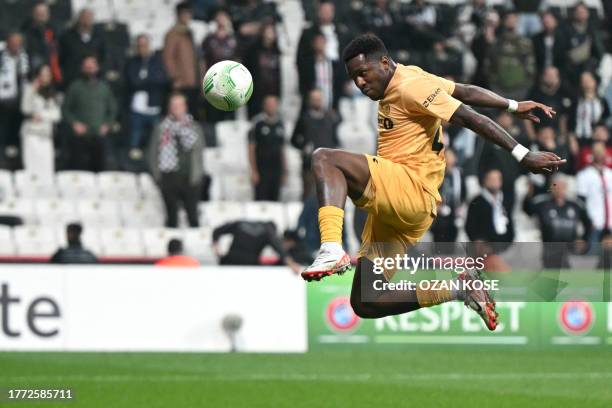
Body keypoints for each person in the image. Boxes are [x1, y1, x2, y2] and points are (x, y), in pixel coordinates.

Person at [301, 33, 564, 331]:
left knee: (324, 158)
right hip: (399, 208)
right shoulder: (413, 75)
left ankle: (332, 247)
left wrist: (522, 153)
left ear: (384, 63)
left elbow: (469, 117)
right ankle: (459, 290)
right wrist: (513, 105)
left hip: (410, 188)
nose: (360, 83)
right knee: (366, 300)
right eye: (353, 78)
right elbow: (463, 90)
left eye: (363, 73)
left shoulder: (411, 86)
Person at [148, 92, 204, 228]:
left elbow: (199, 151)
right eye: (173, 105)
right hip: (168, 177)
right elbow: (152, 153)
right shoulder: (161, 128)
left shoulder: (194, 127)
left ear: (185, 107)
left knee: (193, 215)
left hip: (190, 178)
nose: (176, 108)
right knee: (171, 216)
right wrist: (157, 176)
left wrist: (198, 176)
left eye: (179, 105)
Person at [62, 55, 117, 172]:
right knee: (78, 170)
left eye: (92, 67)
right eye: (87, 67)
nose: (90, 70)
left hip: (98, 135)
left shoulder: (104, 88)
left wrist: (107, 125)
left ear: (97, 68)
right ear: (82, 68)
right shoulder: (75, 86)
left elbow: (112, 109)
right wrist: (74, 123)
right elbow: (65, 109)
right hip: (80, 135)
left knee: (99, 170)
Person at [524, 174, 590, 268]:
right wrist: (529, 194)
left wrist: (584, 239)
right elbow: (527, 210)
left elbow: (588, 223)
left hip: (570, 250)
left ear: (566, 186)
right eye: (555, 185)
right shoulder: (542, 203)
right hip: (549, 249)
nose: (559, 189)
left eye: (561, 185)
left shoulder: (575, 205)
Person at [291, 89, 341, 198]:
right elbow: (293, 139)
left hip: (328, 164)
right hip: (310, 164)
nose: (317, 101)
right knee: (309, 194)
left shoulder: (331, 118)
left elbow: (335, 139)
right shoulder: (304, 119)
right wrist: (303, 147)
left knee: (328, 195)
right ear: (310, 101)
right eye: (314, 99)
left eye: (319, 99)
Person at [125, 34, 168, 158]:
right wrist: (151, 81)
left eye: (144, 45)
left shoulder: (158, 61)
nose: (142, 48)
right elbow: (133, 82)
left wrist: (144, 81)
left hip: (153, 107)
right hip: (136, 108)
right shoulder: (132, 62)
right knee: (135, 141)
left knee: (155, 140)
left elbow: (162, 80)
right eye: (139, 46)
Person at [20, 64, 61, 180]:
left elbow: (57, 115)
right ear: (37, 76)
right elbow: (25, 109)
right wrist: (32, 90)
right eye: (42, 74)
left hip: (46, 136)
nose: (45, 77)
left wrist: (41, 115)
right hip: (31, 134)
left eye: (48, 74)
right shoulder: (30, 89)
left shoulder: (53, 93)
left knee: (47, 170)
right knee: (32, 171)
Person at [212, 220, 300, 273]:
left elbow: (217, 231)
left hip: (229, 262)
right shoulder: (268, 230)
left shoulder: (241, 223)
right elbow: (279, 249)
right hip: (250, 266)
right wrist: (291, 263)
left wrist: (216, 246)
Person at [163, 1, 199, 117]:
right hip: (181, 83)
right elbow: (168, 58)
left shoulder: (190, 32)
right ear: (178, 15)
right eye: (184, 14)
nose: (187, 16)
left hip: (193, 82)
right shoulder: (172, 34)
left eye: (189, 13)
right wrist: (175, 77)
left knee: (193, 116)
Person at [248, 95, 287, 201]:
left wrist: (284, 171)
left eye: (274, 104)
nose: (272, 107)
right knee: (261, 201)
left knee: (275, 201)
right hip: (262, 170)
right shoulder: (257, 123)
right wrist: (254, 171)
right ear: (264, 106)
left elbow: (282, 149)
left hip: (276, 169)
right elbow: (251, 148)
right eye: (269, 104)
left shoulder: (280, 124)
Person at [466, 169, 515, 244]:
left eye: (497, 179)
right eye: (492, 179)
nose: (495, 182)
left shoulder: (505, 200)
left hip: (505, 244)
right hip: (485, 246)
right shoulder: (477, 202)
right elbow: (470, 226)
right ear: (485, 181)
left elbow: (510, 223)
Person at [0, 32, 29, 161]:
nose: (16, 45)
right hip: (3, 99)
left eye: (18, 42)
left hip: (21, 98)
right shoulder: (1, 56)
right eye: (13, 42)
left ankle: (16, 158)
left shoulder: (25, 56)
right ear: (7, 43)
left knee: (17, 129)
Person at [576, 142, 612, 246]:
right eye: (596, 151)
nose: (599, 154)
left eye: (601, 151)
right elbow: (580, 202)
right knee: (592, 257)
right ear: (592, 153)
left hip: (610, 224)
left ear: (606, 153)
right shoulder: (583, 175)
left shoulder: (610, 174)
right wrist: (588, 222)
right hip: (594, 224)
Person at [59, 8, 105, 88]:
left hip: (93, 83)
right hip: (72, 81)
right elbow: (61, 59)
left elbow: (103, 58)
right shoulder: (67, 37)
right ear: (79, 19)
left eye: (90, 18)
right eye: (85, 17)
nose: (87, 20)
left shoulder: (99, 39)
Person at [244, 23, 281, 118]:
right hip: (256, 92)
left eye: (272, 32)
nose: (269, 35)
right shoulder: (253, 50)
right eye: (267, 31)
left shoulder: (277, 51)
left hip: (272, 91)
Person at [430, 149, 465, 243]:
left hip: (454, 215)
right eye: (446, 156)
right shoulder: (436, 173)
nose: (449, 159)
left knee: (451, 240)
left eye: (451, 156)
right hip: (438, 216)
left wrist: (461, 207)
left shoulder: (459, 174)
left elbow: (463, 194)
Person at [21, 1, 61, 83]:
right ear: (33, 14)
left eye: (44, 12)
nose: (41, 15)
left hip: (52, 74)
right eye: (39, 13)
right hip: (33, 74)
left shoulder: (55, 31)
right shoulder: (26, 31)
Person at [568, 71, 610, 146]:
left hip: (598, 140)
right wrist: (572, 140)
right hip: (580, 138)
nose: (586, 82)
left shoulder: (602, 101)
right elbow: (570, 121)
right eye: (583, 80)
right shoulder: (576, 101)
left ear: (595, 81)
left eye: (589, 80)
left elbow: (606, 119)